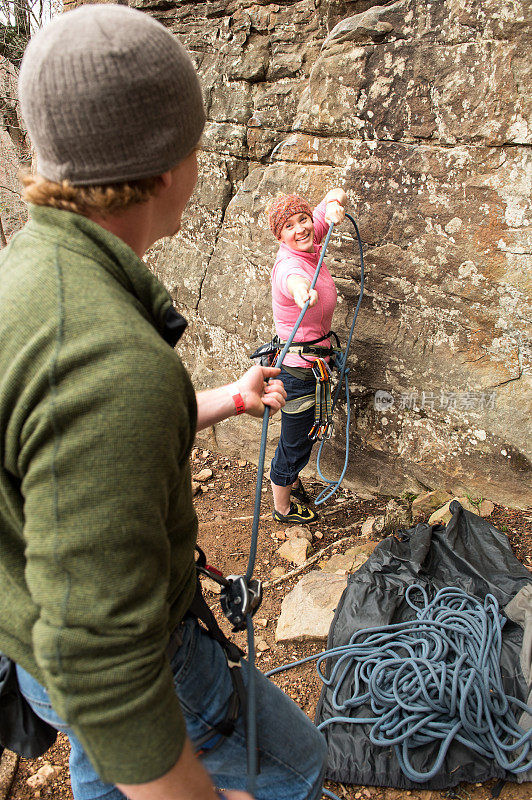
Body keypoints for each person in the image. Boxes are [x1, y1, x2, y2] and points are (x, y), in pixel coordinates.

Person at [0, 5, 327, 800]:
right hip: (148, 661)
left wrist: (224, 399)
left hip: (31, 639)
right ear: (165, 165)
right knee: (299, 769)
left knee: (104, 763)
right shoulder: (110, 362)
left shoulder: (30, 273)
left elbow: (65, 439)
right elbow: (103, 662)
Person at [267, 189, 347, 525]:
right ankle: (282, 508)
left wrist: (334, 206)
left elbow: (335, 191)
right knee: (295, 443)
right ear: (280, 235)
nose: (300, 229)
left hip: (315, 366)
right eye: (289, 226)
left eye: (303, 220)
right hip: (299, 373)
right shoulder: (289, 264)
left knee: (301, 436)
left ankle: (291, 479)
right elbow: (293, 281)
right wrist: (303, 293)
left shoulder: (310, 235)